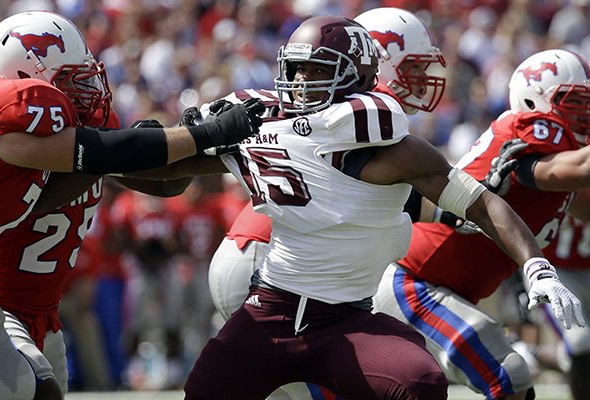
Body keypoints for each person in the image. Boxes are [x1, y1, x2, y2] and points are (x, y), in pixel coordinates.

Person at [127, 13, 583, 400]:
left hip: (322, 291)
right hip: (266, 263)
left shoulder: (370, 133)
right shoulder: (320, 120)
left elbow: (415, 198)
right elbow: (183, 172)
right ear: (372, 66)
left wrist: (505, 244)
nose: (420, 83)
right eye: (408, 69)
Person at [0, 10, 263, 400]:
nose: (88, 85)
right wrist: (200, 135)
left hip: (44, 310)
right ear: (25, 81)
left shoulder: (80, 134)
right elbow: (91, 161)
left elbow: (168, 181)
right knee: (36, 391)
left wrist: (241, 146)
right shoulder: (17, 136)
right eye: (70, 78)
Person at [370, 48, 590, 400]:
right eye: (575, 102)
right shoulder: (532, 144)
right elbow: (574, 169)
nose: (585, 114)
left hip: (441, 288)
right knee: (508, 373)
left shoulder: (554, 169)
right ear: (535, 101)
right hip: (415, 283)